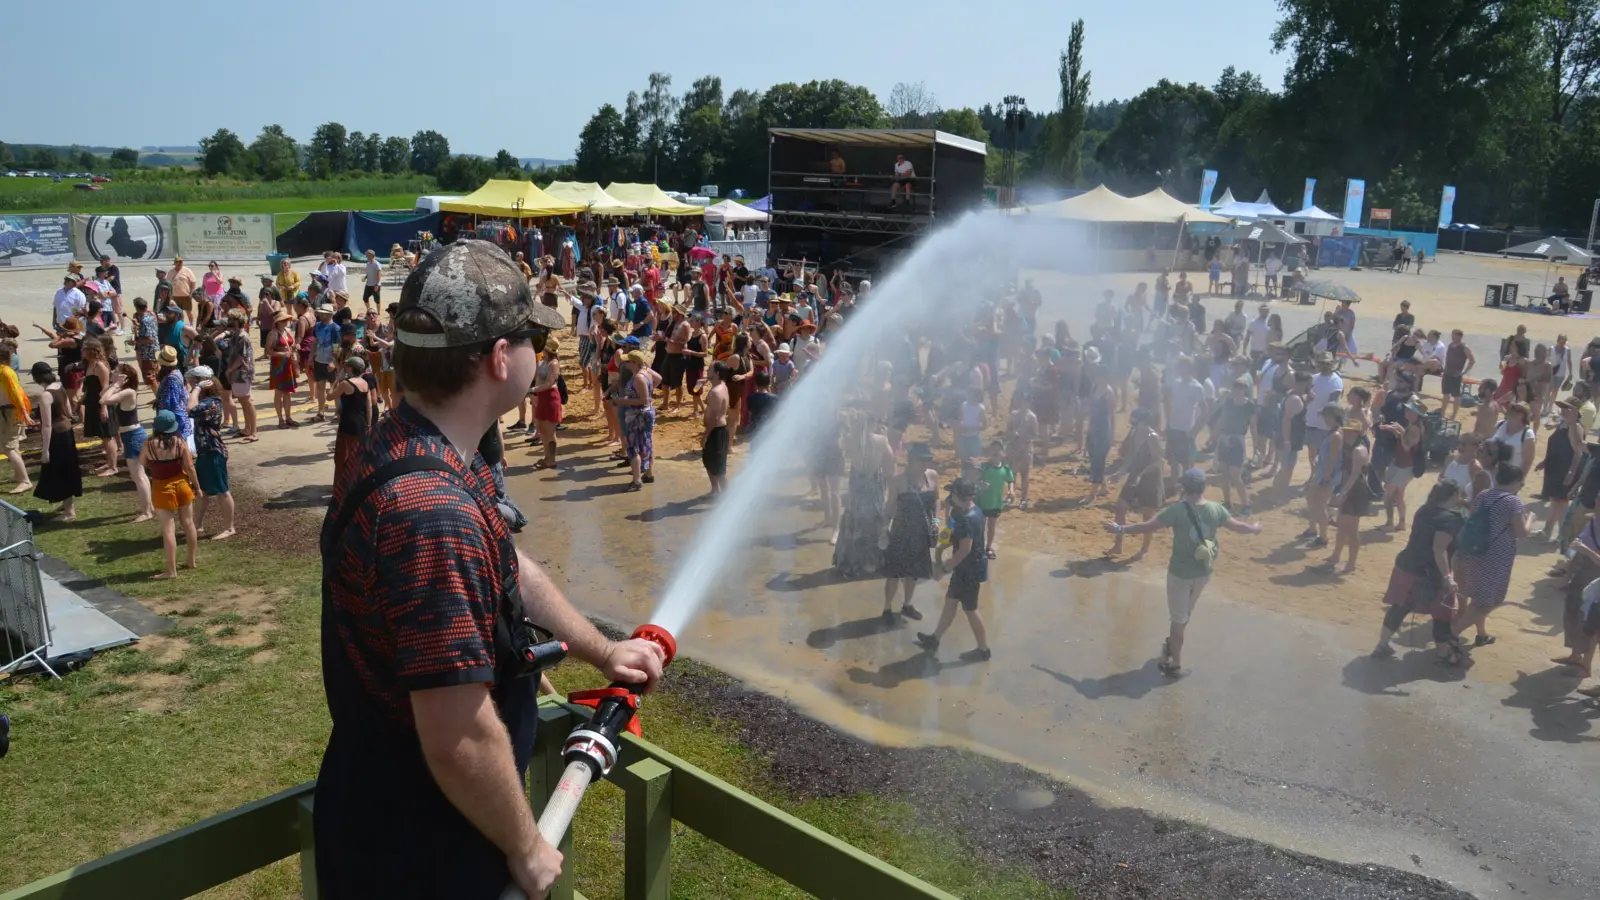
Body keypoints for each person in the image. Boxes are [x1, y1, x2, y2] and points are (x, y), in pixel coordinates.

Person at [315, 240, 663, 900]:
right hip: (422, 851)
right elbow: (459, 738)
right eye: (533, 336)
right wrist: (527, 846)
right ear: (502, 358)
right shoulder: (433, 514)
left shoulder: (417, 446)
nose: (539, 352)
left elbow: (511, 567)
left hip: (396, 811)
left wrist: (603, 650)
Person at [1104, 467, 1263, 675]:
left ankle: (1174, 663)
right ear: (1204, 487)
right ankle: (1173, 642)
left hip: (1180, 574)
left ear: (1183, 487)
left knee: (1177, 619)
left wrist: (1119, 529)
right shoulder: (1216, 509)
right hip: (1203, 572)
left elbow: (1146, 527)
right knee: (1185, 612)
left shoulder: (1176, 511)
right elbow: (1239, 527)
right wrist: (1254, 528)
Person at [1452, 462, 1536, 652]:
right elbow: (1522, 532)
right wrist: (1531, 519)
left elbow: (1472, 515)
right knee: (1485, 603)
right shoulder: (1513, 502)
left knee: (1479, 597)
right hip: (1494, 557)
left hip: (1471, 551)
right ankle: (1451, 634)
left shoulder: (1484, 495)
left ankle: (1481, 634)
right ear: (1515, 482)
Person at [915, 479, 992, 661]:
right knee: (950, 601)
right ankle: (935, 639)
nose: (949, 498)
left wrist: (944, 567)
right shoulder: (974, 511)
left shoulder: (966, 518)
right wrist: (943, 547)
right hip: (968, 567)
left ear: (959, 496)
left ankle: (983, 650)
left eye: (952, 495)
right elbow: (958, 538)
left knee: (970, 609)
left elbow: (965, 549)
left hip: (968, 570)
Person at [139, 409, 199, 578]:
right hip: (182, 484)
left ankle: (171, 570)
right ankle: (191, 561)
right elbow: (190, 467)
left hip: (162, 487)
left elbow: (142, 462)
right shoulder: (180, 443)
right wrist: (197, 486)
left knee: (168, 530)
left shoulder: (148, 444)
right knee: (189, 524)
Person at [832, 416, 894, 578]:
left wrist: (845, 431)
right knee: (875, 521)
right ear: (873, 425)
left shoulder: (851, 440)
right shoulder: (881, 440)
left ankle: (852, 563)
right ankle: (873, 562)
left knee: (854, 521)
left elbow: (839, 446)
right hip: (875, 485)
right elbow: (890, 465)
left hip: (858, 487)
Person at [882, 442, 936, 623]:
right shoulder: (898, 480)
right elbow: (890, 507)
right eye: (922, 460)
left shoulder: (932, 477)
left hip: (921, 533)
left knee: (913, 573)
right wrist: (883, 530)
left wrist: (935, 524)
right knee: (894, 574)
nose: (926, 464)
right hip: (900, 533)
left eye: (928, 460)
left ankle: (907, 604)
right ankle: (887, 608)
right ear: (911, 461)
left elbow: (935, 504)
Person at [187, 367, 236, 541]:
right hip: (205, 451)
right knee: (204, 491)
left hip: (213, 451)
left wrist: (197, 388)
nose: (191, 384)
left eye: (194, 380)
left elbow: (190, 409)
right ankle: (197, 524)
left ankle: (229, 528)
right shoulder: (208, 401)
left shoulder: (211, 403)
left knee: (222, 490)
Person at [1108, 408, 1164, 558]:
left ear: (1142, 421)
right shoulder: (1134, 434)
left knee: (1147, 516)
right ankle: (1118, 544)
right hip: (1135, 476)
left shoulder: (1152, 436)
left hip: (1150, 479)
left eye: (1134, 420)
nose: (1131, 423)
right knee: (1120, 507)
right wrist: (1120, 473)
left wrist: (1142, 475)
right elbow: (1130, 458)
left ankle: (1144, 549)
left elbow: (1157, 461)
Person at [30, 362, 80, 522]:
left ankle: (69, 512)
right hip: (67, 431)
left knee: (60, 470)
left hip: (57, 436)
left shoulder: (45, 395)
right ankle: (67, 504)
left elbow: (47, 425)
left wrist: (45, 450)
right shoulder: (59, 386)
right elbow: (69, 411)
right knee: (68, 468)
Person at [612, 350, 657, 490]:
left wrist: (622, 401)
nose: (625, 363)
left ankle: (637, 481)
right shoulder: (647, 372)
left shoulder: (638, 377)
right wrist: (649, 392)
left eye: (627, 361)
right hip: (646, 414)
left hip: (639, 416)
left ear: (635, 363)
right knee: (647, 442)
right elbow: (659, 379)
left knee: (633, 447)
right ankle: (648, 473)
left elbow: (643, 401)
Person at [976, 440, 1015, 559]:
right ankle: (978, 547)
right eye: (993, 449)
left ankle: (988, 547)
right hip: (981, 503)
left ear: (1003, 453)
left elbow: (1010, 480)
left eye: (998, 449)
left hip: (996, 503)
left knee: (992, 526)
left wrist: (1011, 490)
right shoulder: (984, 467)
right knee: (980, 526)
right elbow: (975, 479)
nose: (995, 451)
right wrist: (981, 483)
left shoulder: (1006, 469)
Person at [153, 346, 194, 452]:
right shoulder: (177, 372)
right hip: (178, 411)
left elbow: (172, 401)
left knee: (176, 445)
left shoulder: (171, 379)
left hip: (174, 417)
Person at [530, 338, 562, 471]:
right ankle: (546, 456)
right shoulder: (543, 361)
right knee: (541, 428)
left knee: (549, 430)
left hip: (550, 397)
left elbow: (549, 383)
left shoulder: (553, 363)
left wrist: (533, 390)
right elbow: (536, 376)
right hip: (542, 397)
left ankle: (552, 459)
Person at [267, 309, 300, 428]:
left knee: (287, 392)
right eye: (284, 320)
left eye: (286, 319)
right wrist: (282, 354)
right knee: (279, 392)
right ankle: (281, 419)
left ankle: (288, 417)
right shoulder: (273, 333)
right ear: (278, 322)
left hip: (288, 363)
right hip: (278, 365)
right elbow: (268, 351)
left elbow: (291, 347)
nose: (286, 321)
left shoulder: (287, 331)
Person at [312, 304, 340, 421]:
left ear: (329, 314)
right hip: (319, 360)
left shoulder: (335, 328)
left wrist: (334, 362)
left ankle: (338, 413)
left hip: (330, 361)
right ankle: (321, 412)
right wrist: (311, 356)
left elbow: (337, 346)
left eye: (323, 313)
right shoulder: (317, 326)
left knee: (334, 387)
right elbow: (315, 341)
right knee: (320, 387)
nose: (321, 315)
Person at [1440, 329, 1474, 420]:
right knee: (1445, 394)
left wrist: (1464, 372)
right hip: (1447, 373)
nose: (1452, 337)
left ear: (1459, 336)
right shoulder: (1451, 345)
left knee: (1456, 396)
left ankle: (1453, 415)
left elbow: (1472, 360)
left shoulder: (1464, 347)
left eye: (1454, 335)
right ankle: (1442, 413)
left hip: (1456, 375)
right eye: (1452, 335)